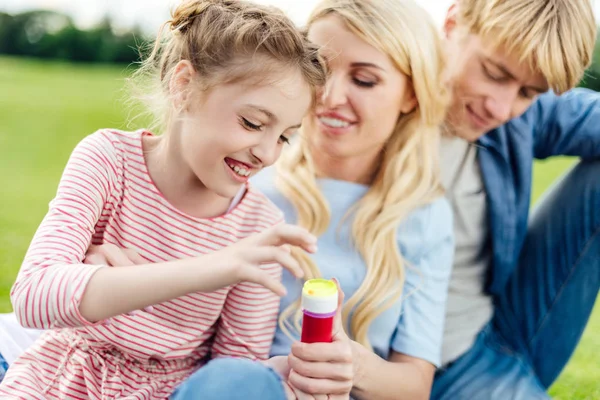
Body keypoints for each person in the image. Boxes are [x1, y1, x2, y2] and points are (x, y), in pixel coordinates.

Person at [83, 0, 456, 399]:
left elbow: (415, 386)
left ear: (411, 96)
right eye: (319, 73)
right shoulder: (240, 178)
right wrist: (99, 276)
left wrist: (353, 364)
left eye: (364, 80)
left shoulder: (425, 217)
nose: (328, 96)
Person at [0, 0, 326, 398]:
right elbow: (35, 295)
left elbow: (236, 374)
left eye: (284, 137)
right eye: (252, 123)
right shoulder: (110, 161)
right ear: (184, 85)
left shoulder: (258, 225)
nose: (267, 153)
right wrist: (213, 268)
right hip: (61, 384)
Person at [432, 0, 600, 399]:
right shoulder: (371, 104)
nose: (502, 108)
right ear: (453, 24)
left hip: (482, 343)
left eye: (528, 92)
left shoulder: (518, 115)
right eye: (494, 74)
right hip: (382, 357)